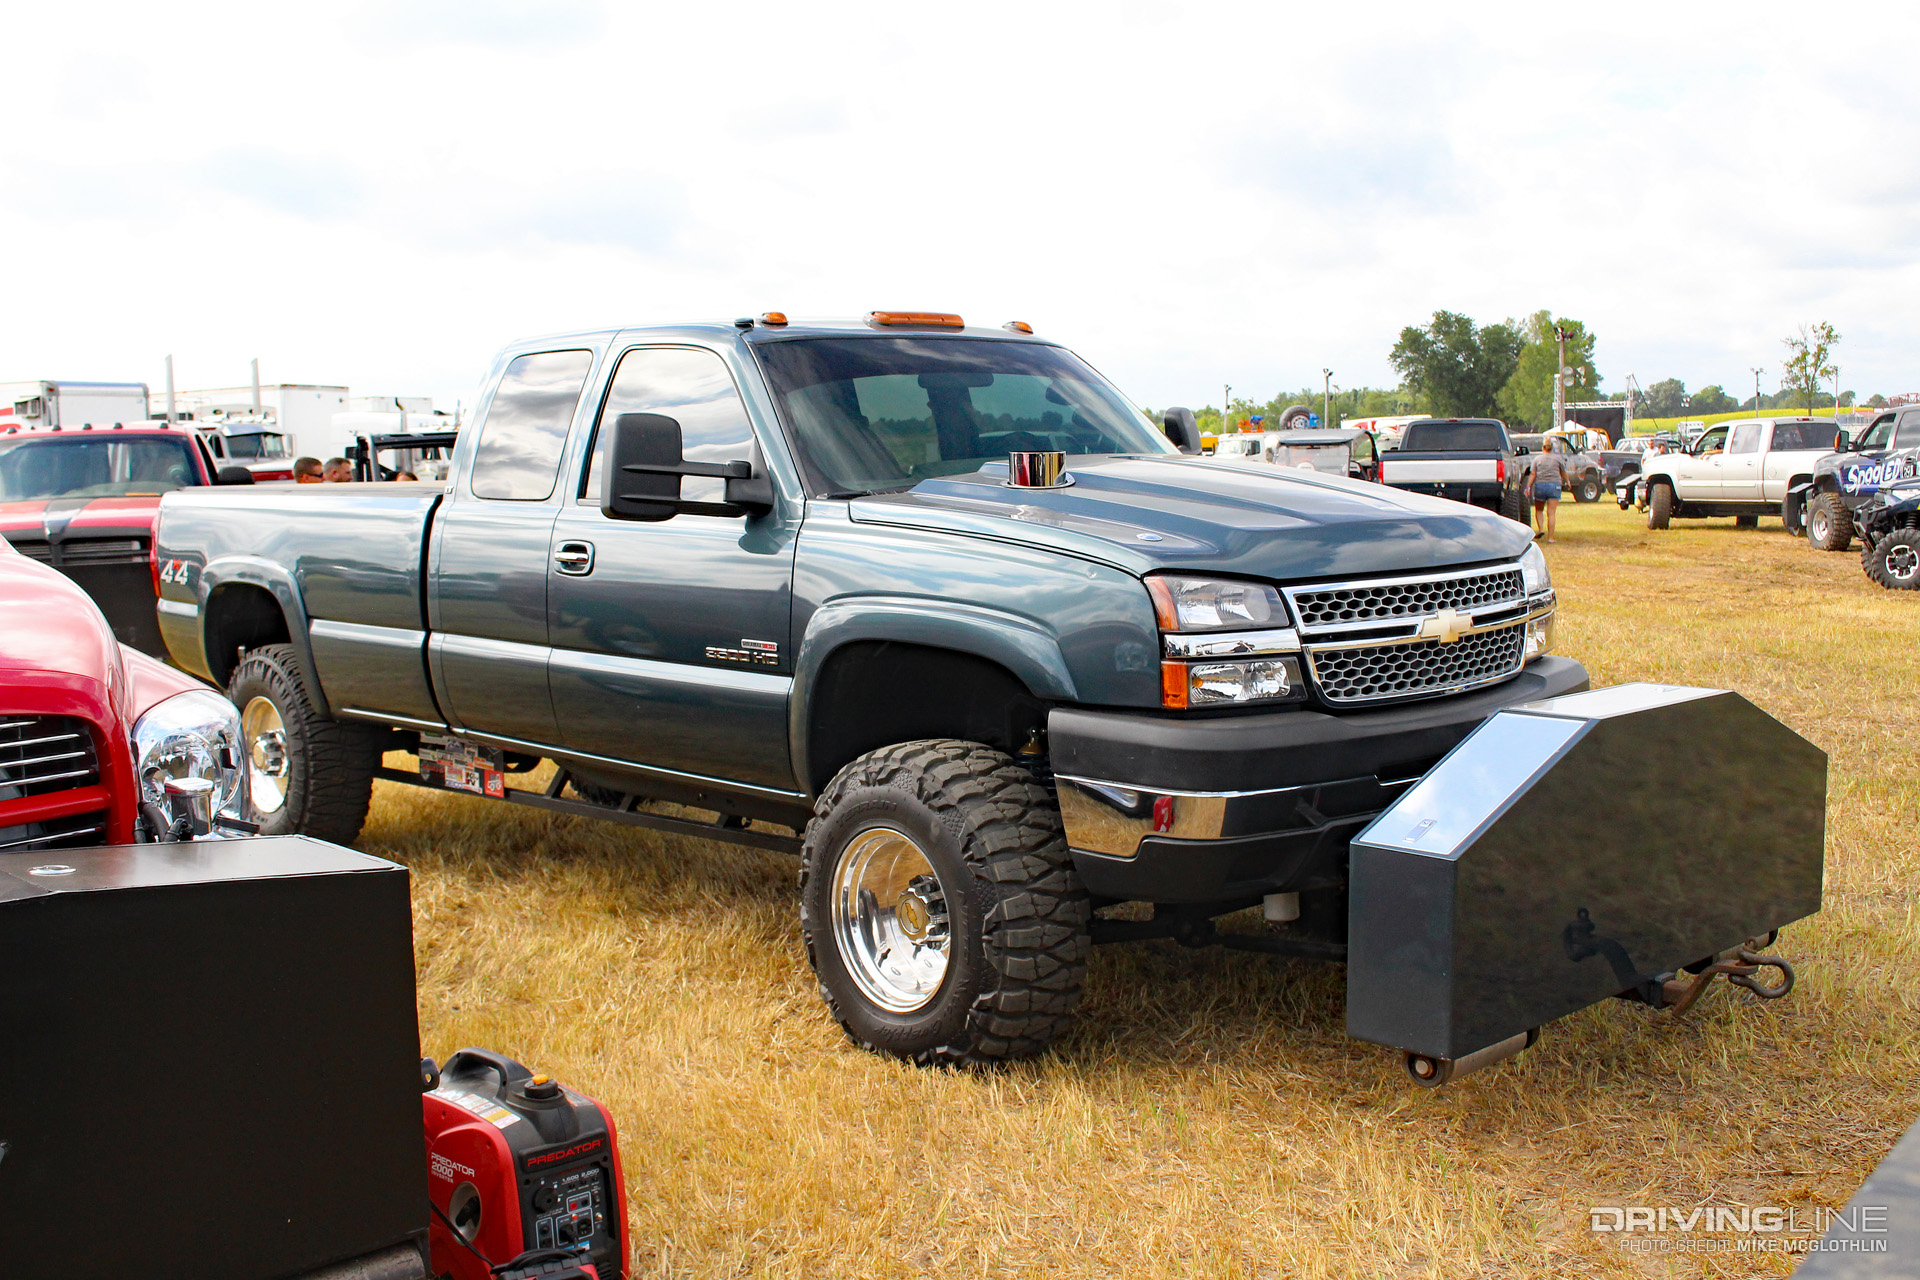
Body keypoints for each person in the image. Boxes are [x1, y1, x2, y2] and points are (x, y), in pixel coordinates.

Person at [1530, 445, 1570, 542]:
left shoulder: (1537, 459)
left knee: (1539, 510)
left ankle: (1541, 529)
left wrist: (1528, 486)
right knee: (1551, 513)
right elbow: (1563, 472)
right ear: (1551, 448)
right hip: (1554, 485)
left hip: (1540, 485)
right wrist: (1568, 481)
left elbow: (1533, 474)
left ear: (1543, 447)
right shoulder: (1558, 459)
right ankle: (1550, 538)